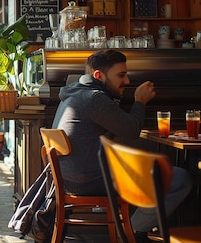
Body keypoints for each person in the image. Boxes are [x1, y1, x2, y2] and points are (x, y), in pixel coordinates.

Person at [51, 49, 192, 240]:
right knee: (179, 178)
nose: (126, 81)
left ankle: (133, 228)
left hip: (73, 178)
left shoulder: (74, 93)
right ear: (99, 76)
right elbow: (131, 130)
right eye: (121, 75)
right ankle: (131, 231)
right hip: (89, 181)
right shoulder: (94, 98)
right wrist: (140, 101)